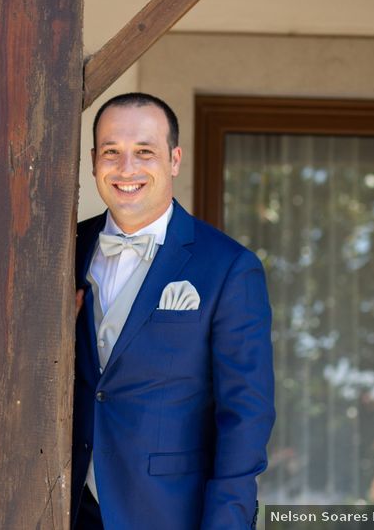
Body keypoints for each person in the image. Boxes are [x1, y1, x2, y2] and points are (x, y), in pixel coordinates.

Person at [71, 93, 275, 529]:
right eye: (112, 152)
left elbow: (246, 412)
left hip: (167, 512)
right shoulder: (64, 252)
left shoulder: (227, 266)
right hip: (66, 507)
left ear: (174, 159)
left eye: (144, 152)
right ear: (93, 161)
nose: (127, 169)